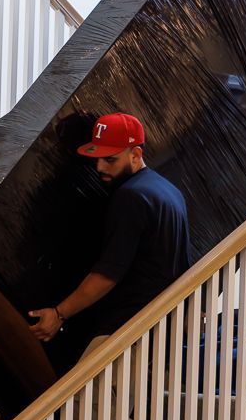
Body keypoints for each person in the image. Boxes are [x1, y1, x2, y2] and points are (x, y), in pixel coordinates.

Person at [29, 113, 190, 355]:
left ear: (135, 155)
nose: (100, 167)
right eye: (97, 159)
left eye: (110, 160)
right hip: (164, 325)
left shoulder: (131, 196)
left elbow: (108, 274)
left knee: (85, 391)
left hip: (132, 327)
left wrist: (59, 313)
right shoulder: (169, 191)